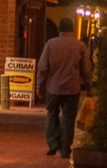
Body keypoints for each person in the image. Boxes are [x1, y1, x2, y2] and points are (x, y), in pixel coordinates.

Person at [36, 17, 91, 158]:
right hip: (72, 88)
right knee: (68, 118)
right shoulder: (80, 46)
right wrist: (89, 86)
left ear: (59, 29)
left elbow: (43, 67)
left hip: (53, 88)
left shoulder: (50, 44)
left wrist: (38, 84)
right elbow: (86, 69)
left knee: (52, 114)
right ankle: (65, 148)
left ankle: (53, 143)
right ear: (72, 29)